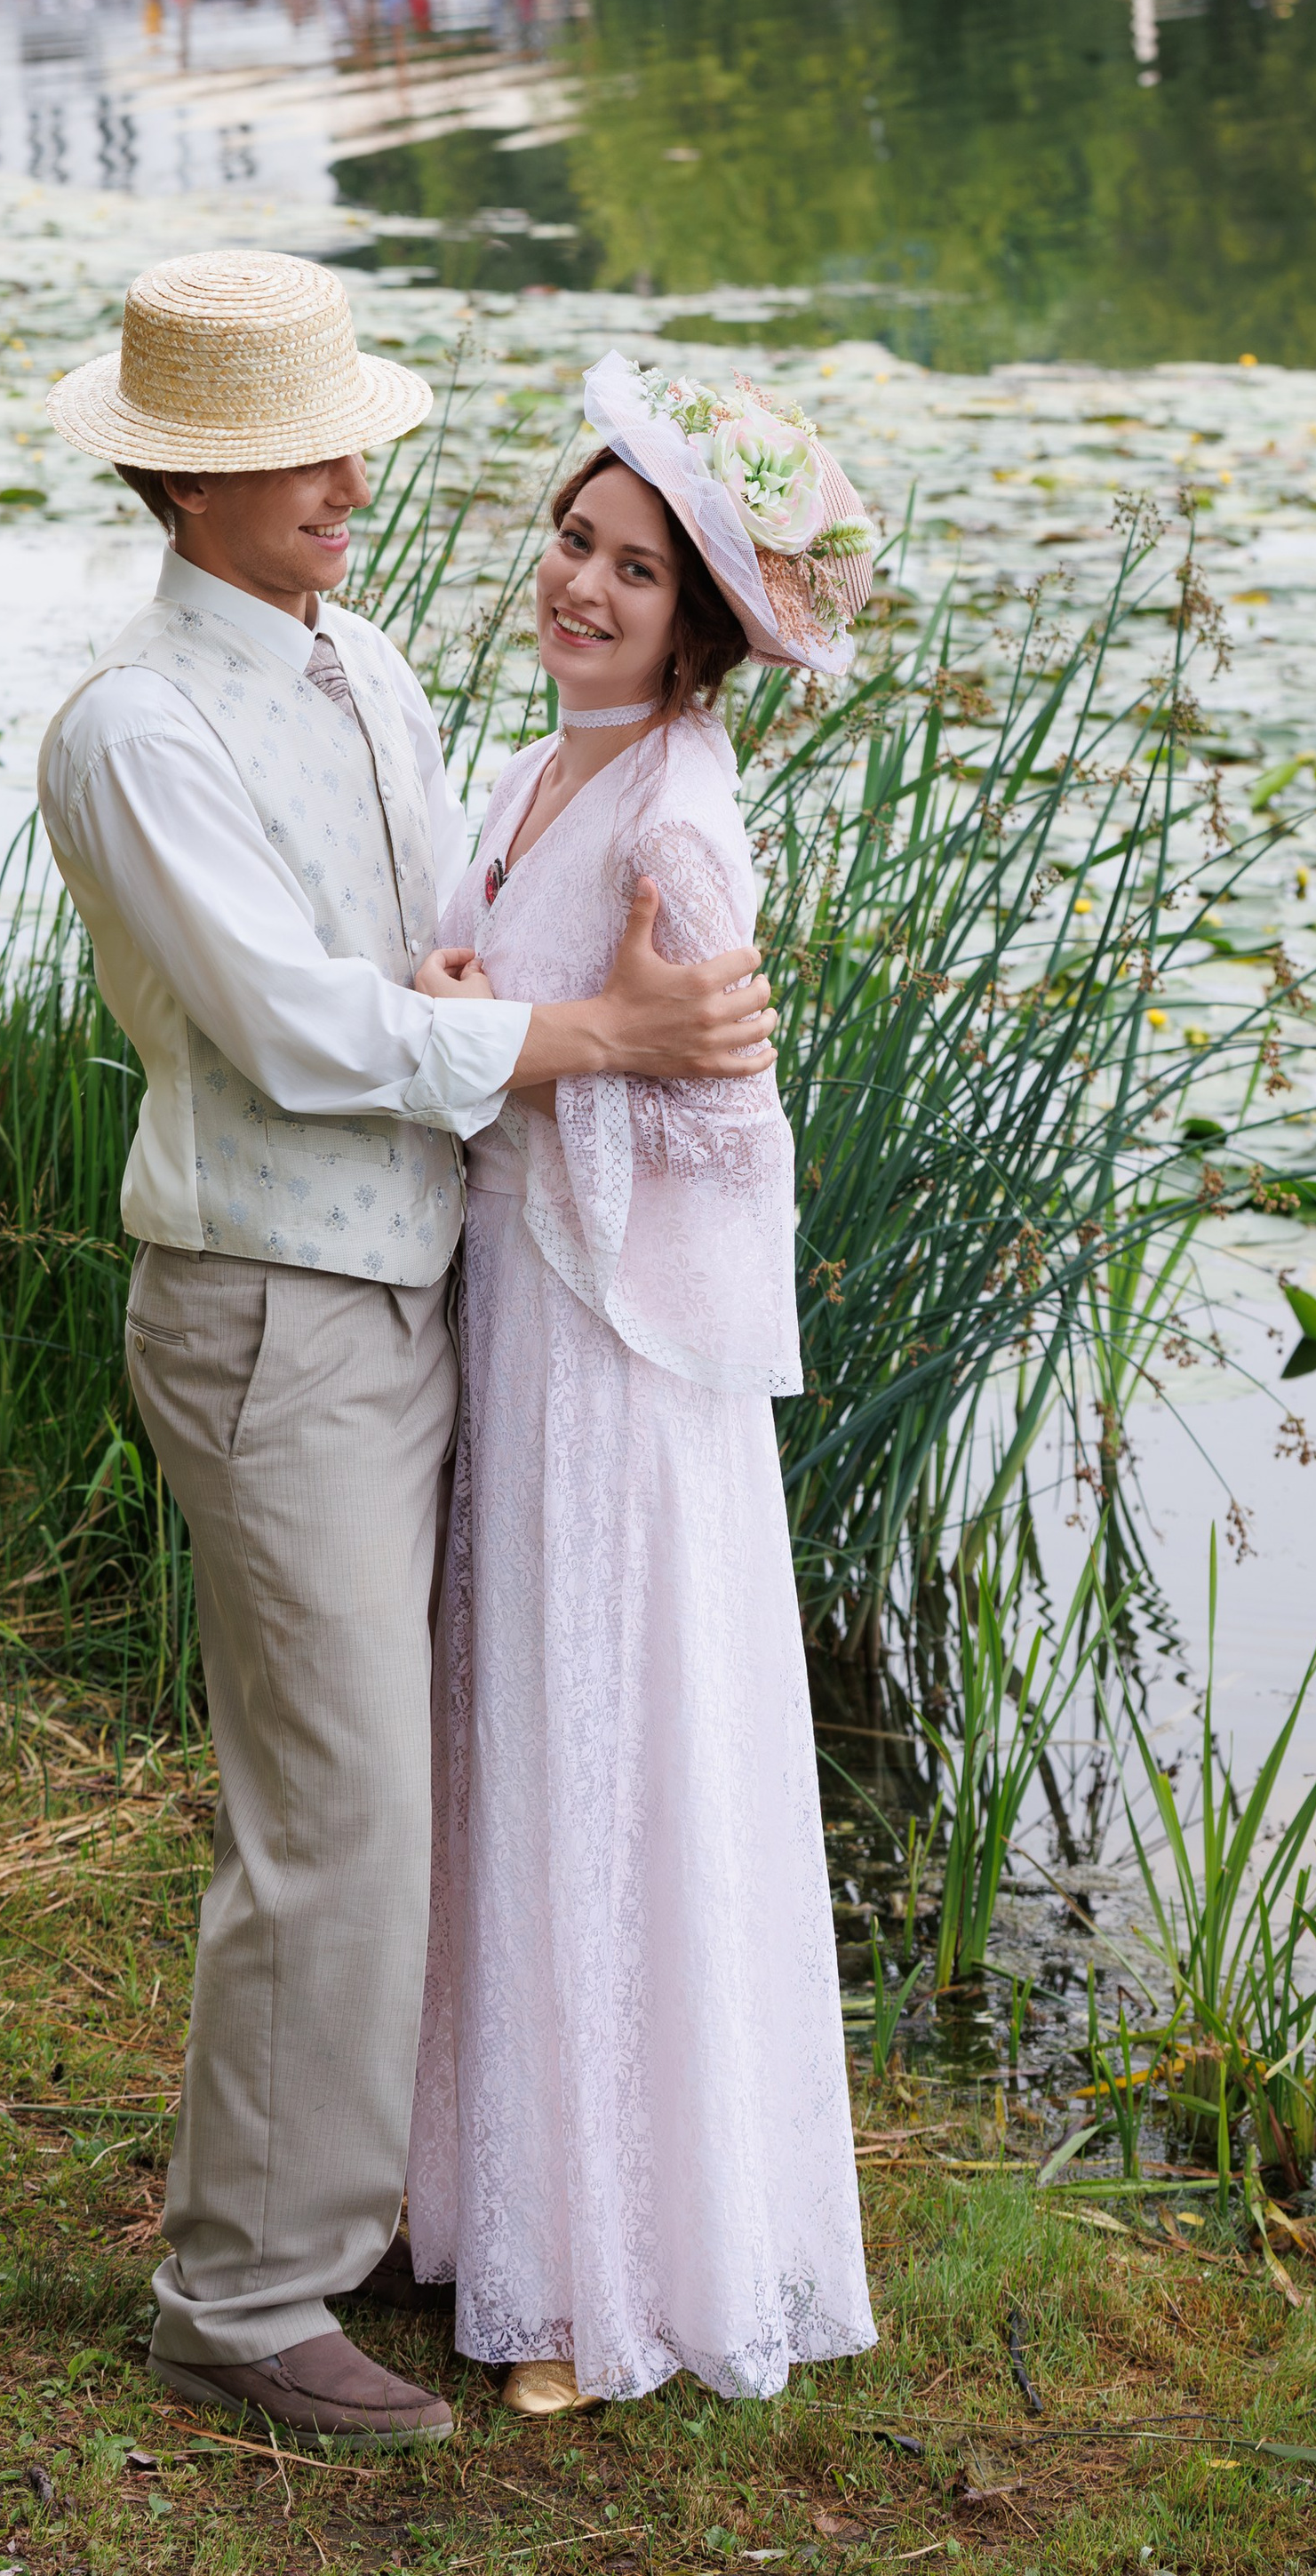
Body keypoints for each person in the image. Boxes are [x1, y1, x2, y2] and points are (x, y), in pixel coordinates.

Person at [36, 252, 780, 2451]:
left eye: (352, 432)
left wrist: (464, 968)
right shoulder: (128, 726)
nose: (354, 477)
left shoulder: (353, 662)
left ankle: (343, 2204)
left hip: (425, 1291)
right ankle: (241, 2293)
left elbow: (385, 956)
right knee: (336, 1809)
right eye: (306, 451)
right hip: (269, 1308)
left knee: (397, 1791)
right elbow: (279, 1027)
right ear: (188, 482)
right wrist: (585, 1032)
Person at [404, 353, 880, 2417]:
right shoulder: (535, 765)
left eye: (628, 565)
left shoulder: (682, 811)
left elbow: (720, 1134)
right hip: (508, 1303)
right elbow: (518, 1002)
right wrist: (466, 1006)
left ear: (696, 620)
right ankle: (481, 2187)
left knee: (602, 1737)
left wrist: (534, 1048)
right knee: (503, 1730)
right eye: (569, 540)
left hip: (612, 1349)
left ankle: (609, 2268)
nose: (577, 584)